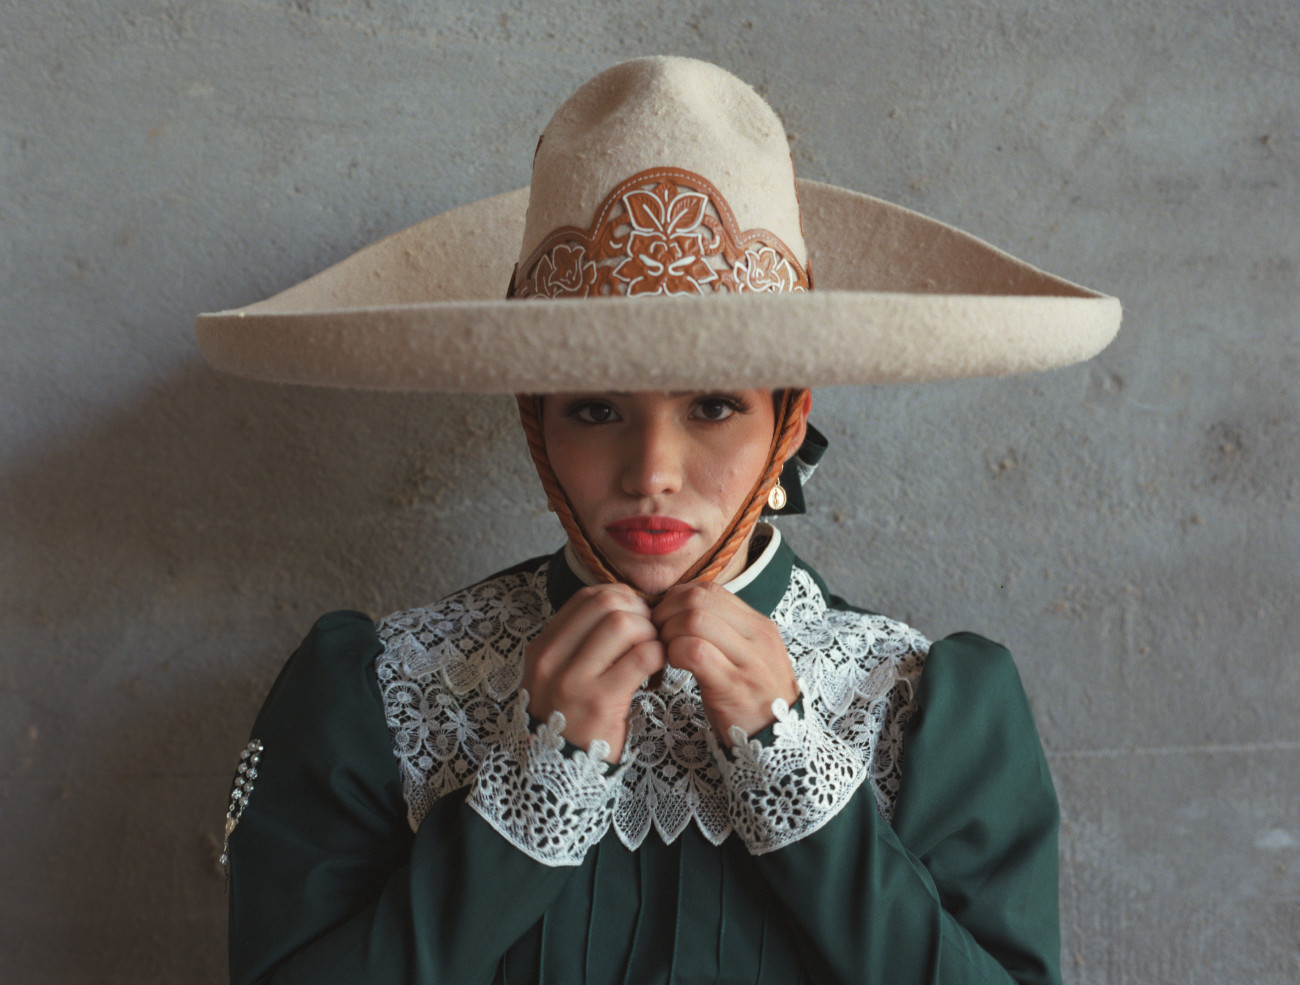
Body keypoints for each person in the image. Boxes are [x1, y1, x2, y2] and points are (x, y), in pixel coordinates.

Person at [200, 57, 1120, 985]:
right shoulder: (376, 692)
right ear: (534, 421)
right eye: (596, 409)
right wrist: (524, 799)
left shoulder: (927, 711)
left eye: (714, 405)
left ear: (789, 418)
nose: (652, 473)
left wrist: (802, 787)